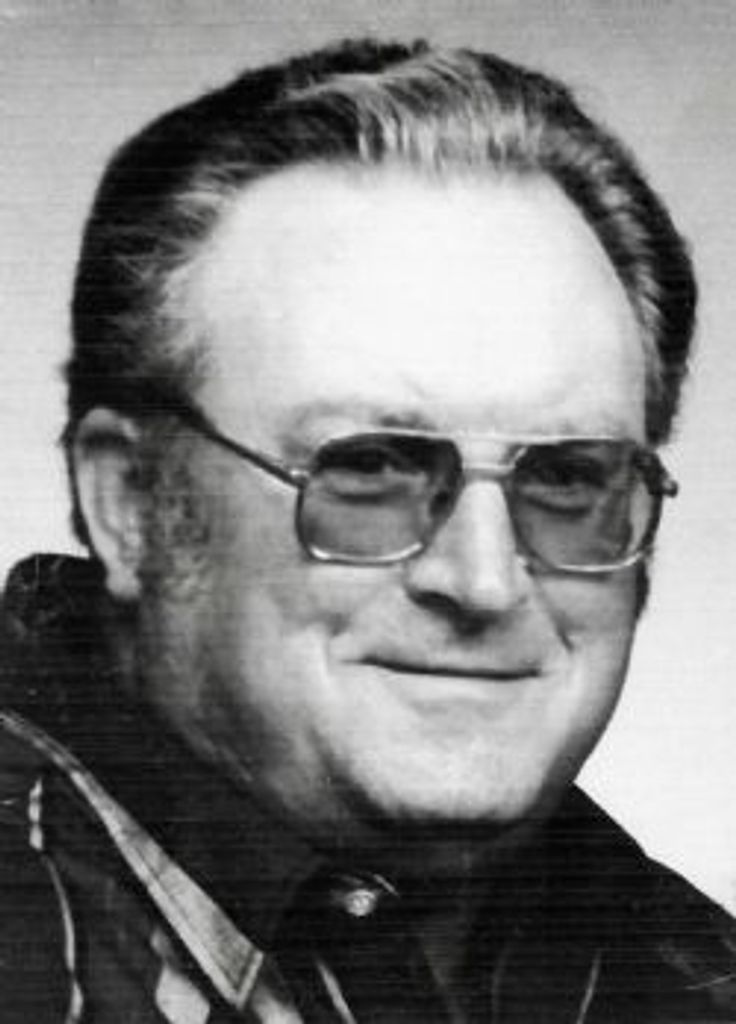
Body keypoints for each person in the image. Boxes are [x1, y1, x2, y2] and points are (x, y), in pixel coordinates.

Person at [1, 37, 735, 1024]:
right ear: (133, 505)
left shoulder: (697, 978)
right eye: (371, 469)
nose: (485, 580)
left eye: (566, 477)